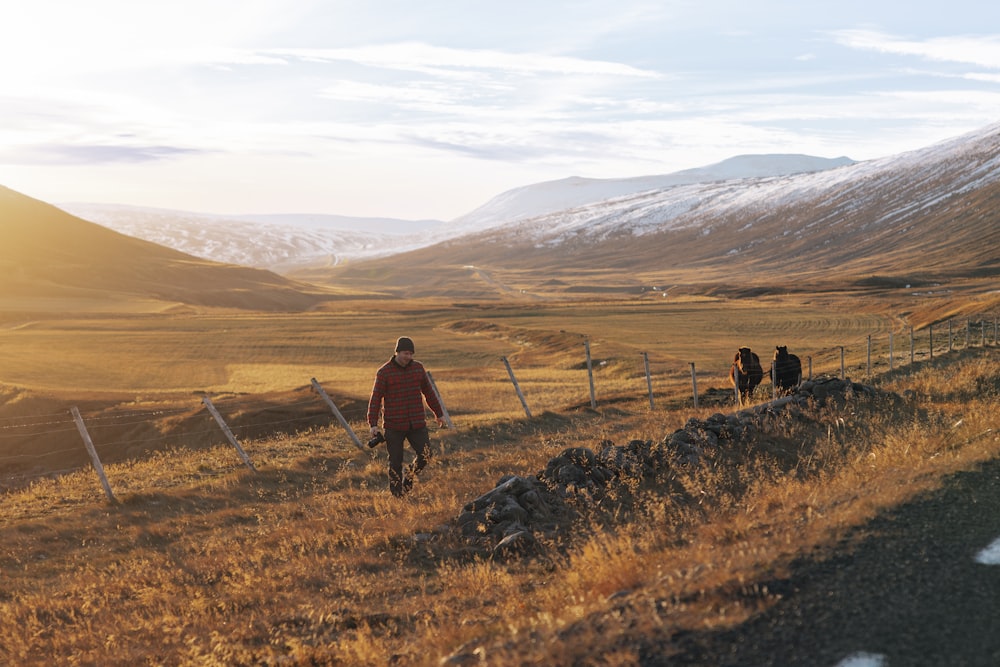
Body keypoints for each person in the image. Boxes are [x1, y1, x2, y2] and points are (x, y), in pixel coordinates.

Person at [366, 336, 446, 497]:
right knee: (395, 462)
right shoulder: (384, 372)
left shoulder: (418, 368)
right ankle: (398, 496)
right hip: (394, 426)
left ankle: (409, 475)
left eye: (411, 354)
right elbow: (375, 398)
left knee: (426, 455)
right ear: (397, 352)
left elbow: (428, 393)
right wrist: (373, 423)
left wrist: (439, 413)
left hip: (417, 423)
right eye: (405, 353)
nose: (408, 357)